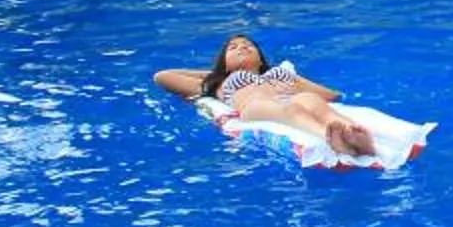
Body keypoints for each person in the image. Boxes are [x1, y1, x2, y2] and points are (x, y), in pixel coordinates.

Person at [155, 34, 377, 158]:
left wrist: (297, 82)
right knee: (292, 110)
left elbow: (332, 96)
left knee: (312, 102)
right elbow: (163, 76)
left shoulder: (280, 73)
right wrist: (220, 72)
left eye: (248, 46)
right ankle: (330, 138)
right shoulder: (218, 83)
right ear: (224, 62)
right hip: (255, 106)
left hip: (287, 98)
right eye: (233, 48)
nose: (242, 48)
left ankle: (357, 136)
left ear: (261, 59)